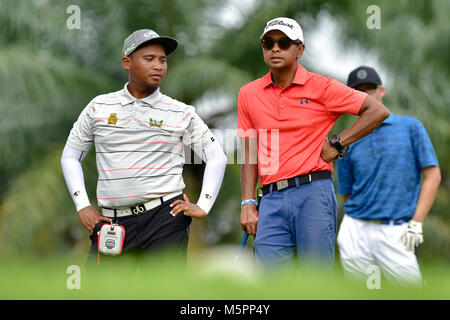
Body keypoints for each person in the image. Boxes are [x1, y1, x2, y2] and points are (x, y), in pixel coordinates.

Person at [61, 29, 227, 265]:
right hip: (112, 222)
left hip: (165, 218)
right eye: (149, 59)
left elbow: (215, 157)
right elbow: (70, 156)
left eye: (163, 60)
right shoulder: (98, 107)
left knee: (164, 292)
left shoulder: (180, 112)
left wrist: (204, 204)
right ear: (127, 62)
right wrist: (82, 205)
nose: (158, 66)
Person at [237, 17, 390, 270]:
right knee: (268, 282)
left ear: (300, 50)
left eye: (283, 43)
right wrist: (246, 202)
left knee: (315, 279)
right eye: (268, 42)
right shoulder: (248, 93)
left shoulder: (323, 87)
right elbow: (249, 152)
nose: (275, 48)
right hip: (271, 199)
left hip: (313, 193)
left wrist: (339, 142)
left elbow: (377, 111)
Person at [336, 66, 441, 285]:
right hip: (355, 229)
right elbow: (346, 191)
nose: (366, 96)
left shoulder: (410, 127)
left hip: (397, 230)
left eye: (370, 90)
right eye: (358, 91)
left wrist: (416, 223)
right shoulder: (346, 137)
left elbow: (432, 175)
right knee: (358, 295)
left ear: (381, 91)